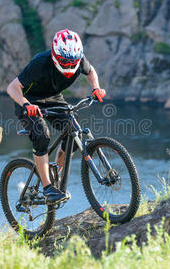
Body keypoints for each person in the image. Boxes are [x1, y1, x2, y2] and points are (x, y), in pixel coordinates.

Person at [7, 29, 106, 204]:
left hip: (53, 98)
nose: (69, 66)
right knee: (42, 135)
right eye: (64, 62)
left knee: (73, 133)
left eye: (72, 62)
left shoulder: (78, 59)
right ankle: (47, 189)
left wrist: (96, 88)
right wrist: (26, 105)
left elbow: (91, 72)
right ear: (55, 54)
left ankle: (54, 176)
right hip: (29, 101)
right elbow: (12, 87)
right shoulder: (40, 63)